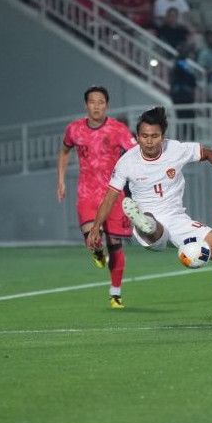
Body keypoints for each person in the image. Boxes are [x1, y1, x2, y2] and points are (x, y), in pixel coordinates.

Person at [86, 107, 212, 320]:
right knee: (151, 225)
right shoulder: (127, 162)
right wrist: (96, 227)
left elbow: (206, 152)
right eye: (144, 136)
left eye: (154, 136)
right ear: (137, 136)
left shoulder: (175, 149)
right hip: (150, 221)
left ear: (163, 136)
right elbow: (110, 197)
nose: (149, 141)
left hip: (179, 221)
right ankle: (143, 222)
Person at [58, 86, 137, 309]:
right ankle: (97, 252)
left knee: (115, 244)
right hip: (87, 193)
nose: (97, 106)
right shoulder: (74, 130)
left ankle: (115, 294)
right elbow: (64, 151)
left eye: (101, 102)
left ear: (107, 105)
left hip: (113, 194)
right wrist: (61, 180)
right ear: (86, 105)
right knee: (91, 238)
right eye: (92, 102)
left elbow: (134, 154)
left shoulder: (118, 129)